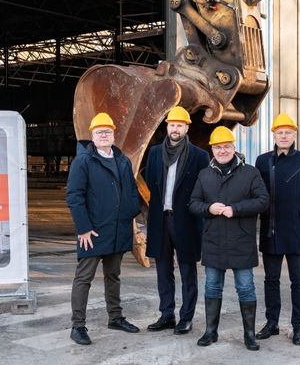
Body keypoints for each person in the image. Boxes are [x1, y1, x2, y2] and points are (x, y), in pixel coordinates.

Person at [189, 126, 269, 351]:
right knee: (212, 287)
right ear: (212, 150)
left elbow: (263, 200)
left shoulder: (250, 173)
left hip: (241, 241)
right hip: (213, 241)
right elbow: (193, 203)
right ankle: (210, 331)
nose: (222, 151)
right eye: (217, 147)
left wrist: (236, 209)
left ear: (234, 147)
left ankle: (249, 335)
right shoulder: (204, 175)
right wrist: (208, 208)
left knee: (246, 288)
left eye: (226, 146)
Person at [66, 112, 142, 345]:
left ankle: (115, 318)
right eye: (99, 132)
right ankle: (78, 326)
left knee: (113, 275)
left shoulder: (122, 160)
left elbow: (131, 191)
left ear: (113, 135)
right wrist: (84, 228)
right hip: (93, 232)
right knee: (84, 278)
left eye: (107, 132)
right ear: (92, 136)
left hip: (118, 229)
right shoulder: (83, 161)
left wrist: (130, 212)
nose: (104, 135)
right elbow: (74, 196)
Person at [254, 113, 300, 346]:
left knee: (298, 281)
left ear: (294, 135)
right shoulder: (262, 161)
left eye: (288, 133)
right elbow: (255, 194)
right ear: (274, 135)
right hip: (270, 228)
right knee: (271, 280)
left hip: (297, 230)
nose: (284, 136)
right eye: (280, 132)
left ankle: (298, 326)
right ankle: (271, 323)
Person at [144, 107, 209, 335]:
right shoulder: (154, 153)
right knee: (163, 269)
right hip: (160, 219)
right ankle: (166, 315)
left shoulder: (199, 156)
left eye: (180, 125)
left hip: (186, 221)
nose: (175, 129)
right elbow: (150, 181)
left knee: (187, 269)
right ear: (167, 127)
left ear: (186, 128)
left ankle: (186, 317)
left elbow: (204, 190)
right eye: (172, 125)